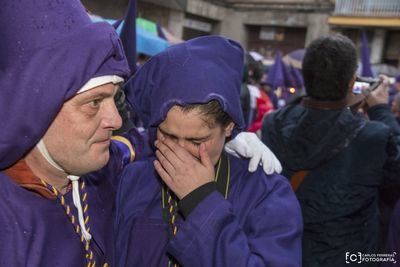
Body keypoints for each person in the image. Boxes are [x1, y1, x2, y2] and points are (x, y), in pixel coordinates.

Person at [0, 1, 282, 265]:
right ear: (34, 109)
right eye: (94, 102)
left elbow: (139, 141)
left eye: (114, 98)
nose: (114, 119)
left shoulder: (107, 170)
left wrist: (221, 136)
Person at [115, 36, 303, 267]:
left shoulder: (266, 192)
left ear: (230, 126)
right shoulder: (133, 178)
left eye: (197, 140)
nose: (180, 151)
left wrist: (201, 201)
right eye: (169, 136)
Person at [261, 34, 400, 267]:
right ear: (351, 82)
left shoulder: (273, 125)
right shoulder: (374, 136)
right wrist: (380, 110)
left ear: (305, 78)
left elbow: (311, 121)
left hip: (288, 252)